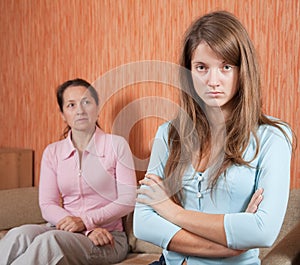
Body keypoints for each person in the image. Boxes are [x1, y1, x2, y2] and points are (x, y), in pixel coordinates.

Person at [134, 11, 294, 265]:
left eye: (226, 67)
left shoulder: (274, 137)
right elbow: (142, 223)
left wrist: (171, 211)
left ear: (243, 71)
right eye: (201, 68)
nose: (212, 81)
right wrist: (227, 246)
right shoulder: (168, 134)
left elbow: (263, 230)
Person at [0, 78, 137, 265]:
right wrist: (80, 227)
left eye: (86, 102)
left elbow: (128, 200)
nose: (80, 110)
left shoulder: (116, 145)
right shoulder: (52, 152)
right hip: (65, 229)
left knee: (50, 242)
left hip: (108, 237)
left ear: (97, 108)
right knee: (19, 234)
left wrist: (87, 222)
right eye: (71, 105)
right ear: (63, 114)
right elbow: (47, 204)